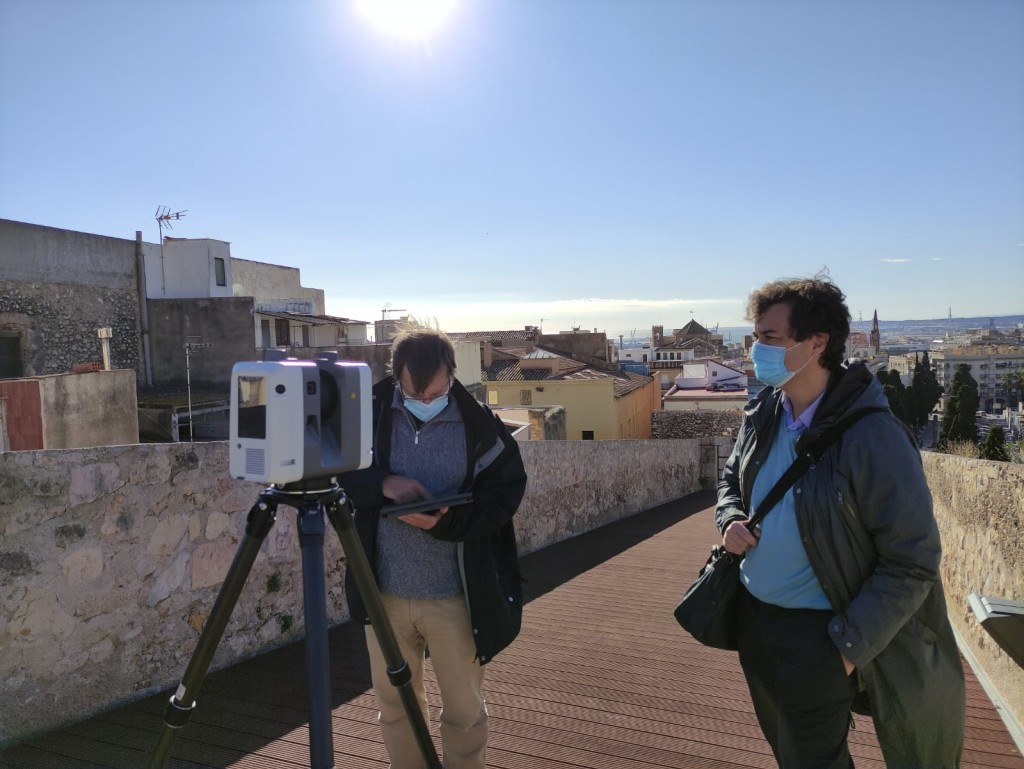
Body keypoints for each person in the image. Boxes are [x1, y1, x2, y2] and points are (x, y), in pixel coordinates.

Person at [716, 276, 965, 769]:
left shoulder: (874, 437)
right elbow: (730, 476)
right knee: (789, 751)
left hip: (822, 635)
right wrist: (730, 516)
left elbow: (912, 561)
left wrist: (846, 652)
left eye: (768, 337)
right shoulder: (764, 410)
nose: (755, 349)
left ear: (817, 343)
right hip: (758, 622)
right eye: (755, 336)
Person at [338, 327, 527, 769]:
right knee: (395, 706)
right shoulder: (367, 416)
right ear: (396, 375)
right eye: (413, 391)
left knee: (463, 711)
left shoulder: (482, 427)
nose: (425, 399)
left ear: (452, 376)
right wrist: (382, 482)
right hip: (383, 593)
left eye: (435, 391)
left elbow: (504, 494)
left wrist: (447, 522)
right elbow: (335, 474)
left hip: (457, 597)